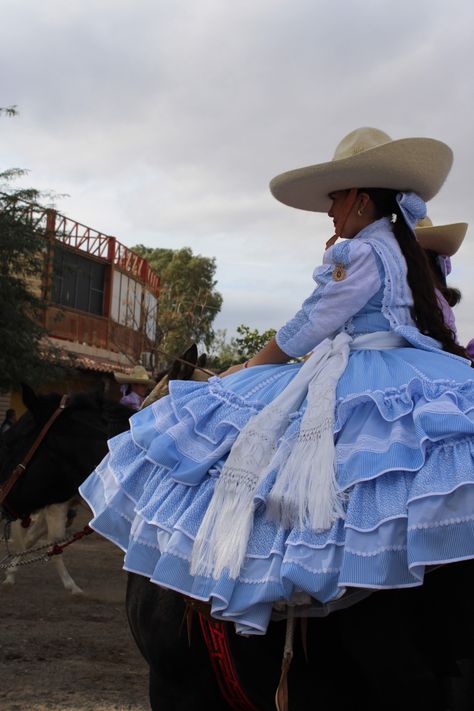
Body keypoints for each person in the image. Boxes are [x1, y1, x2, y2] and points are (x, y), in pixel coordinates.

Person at [80, 127, 474, 637]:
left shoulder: (364, 251)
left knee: (279, 456)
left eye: (335, 201)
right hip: (400, 364)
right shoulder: (395, 250)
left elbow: (312, 323)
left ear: (357, 199)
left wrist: (250, 366)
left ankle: (289, 587)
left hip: (362, 363)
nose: (330, 213)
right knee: (370, 471)